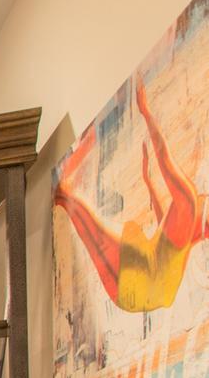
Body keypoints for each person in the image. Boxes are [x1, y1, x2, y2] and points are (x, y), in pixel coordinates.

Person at [54, 80, 209, 314]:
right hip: (137, 297)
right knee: (67, 201)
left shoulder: (188, 201)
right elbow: (162, 224)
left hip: (141, 270)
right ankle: (80, 157)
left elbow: (165, 160)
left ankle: (87, 145)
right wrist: (148, 183)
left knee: (65, 193)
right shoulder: (187, 235)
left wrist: (146, 112)